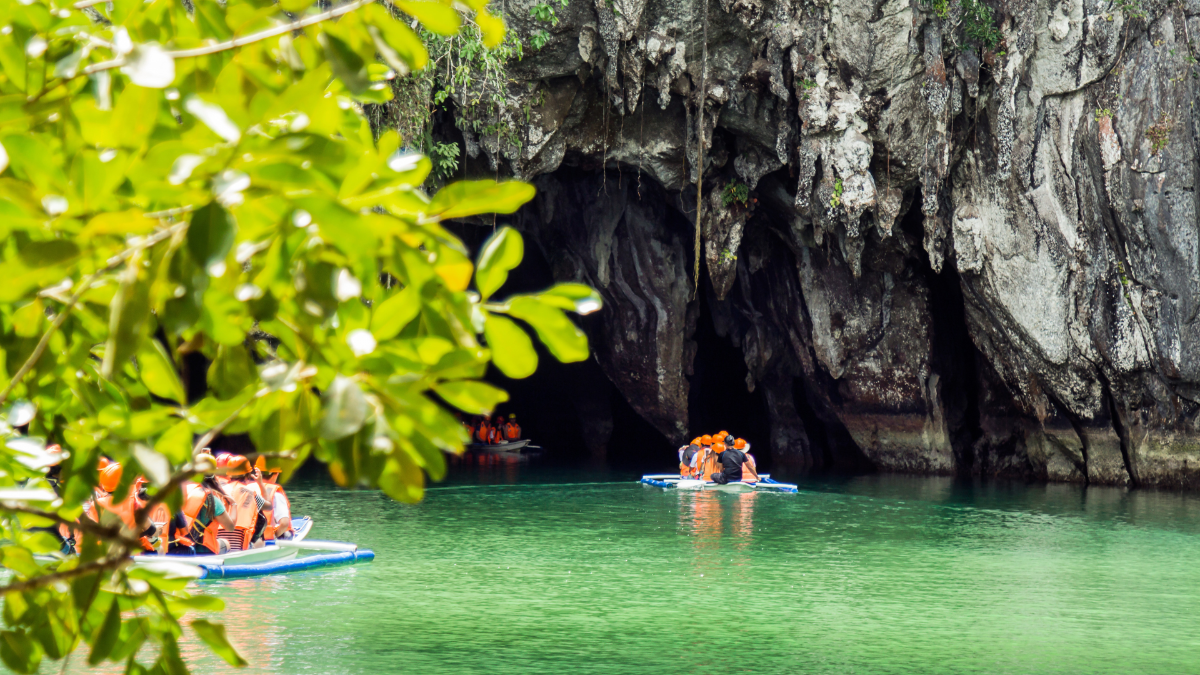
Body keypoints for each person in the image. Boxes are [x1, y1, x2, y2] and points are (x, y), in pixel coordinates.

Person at [169, 453, 237, 555]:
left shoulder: (181, 492)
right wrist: (234, 505)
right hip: (204, 550)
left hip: (180, 547)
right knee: (226, 543)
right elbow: (230, 527)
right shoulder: (211, 499)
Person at [216, 456, 274, 551]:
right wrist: (260, 483)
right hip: (241, 546)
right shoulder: (252, 493)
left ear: (229, 474)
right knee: (262, 518)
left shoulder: (218, 491)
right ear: (248, 475)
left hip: (218, 544)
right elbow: (269, 506)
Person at [255, 456, 294, 539]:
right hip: (266, 537)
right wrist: (275, 535)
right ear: (276, 474)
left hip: (250, 536)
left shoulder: (248, 489)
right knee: (287, 533)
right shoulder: (277, 495)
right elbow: (284, 523)